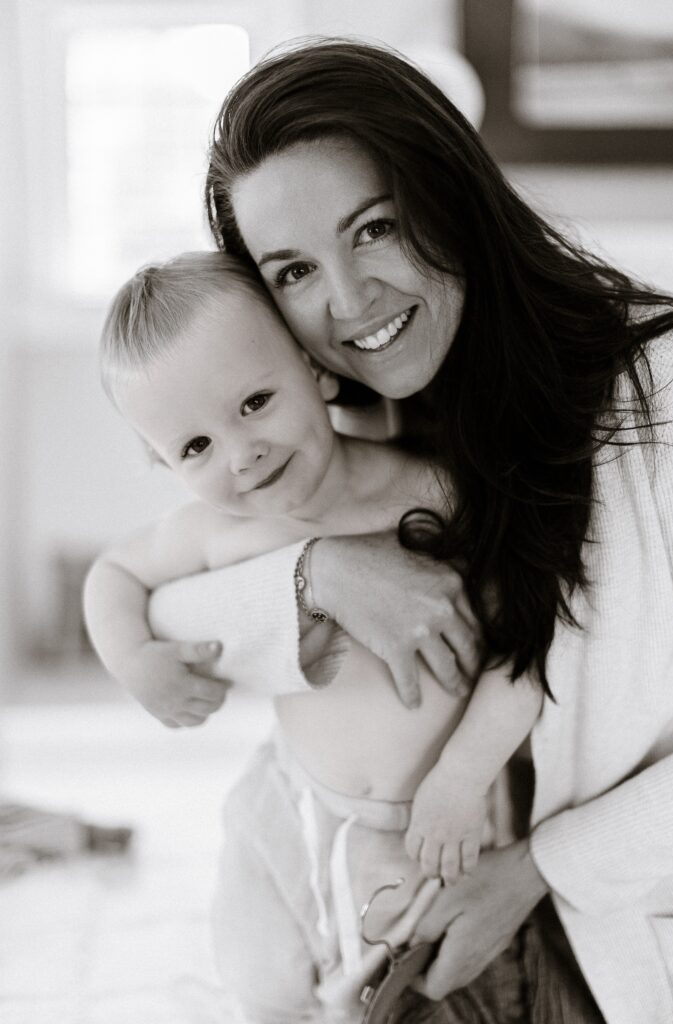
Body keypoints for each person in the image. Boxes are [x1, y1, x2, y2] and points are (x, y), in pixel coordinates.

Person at [120, 38, 673, 1024]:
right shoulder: (360, 427)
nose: (346, 302)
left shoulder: (664, 393)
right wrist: (320, 573)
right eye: (293, 270)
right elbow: (165, 597)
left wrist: (535, 868)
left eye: (374, 228)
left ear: (449, 193)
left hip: (618, 922)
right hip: (415, 920)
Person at [83, 251, 543, 1023]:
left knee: (422, 988)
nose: (240, 453)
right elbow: (113, 573)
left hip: (439, 810)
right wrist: (134, 660)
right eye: (193, 448)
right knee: (260, 975)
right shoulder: (220, 530)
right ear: (158, 460)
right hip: (292, 801)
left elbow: (524, 650)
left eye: (255, 403)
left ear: (315, 372)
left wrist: (461, 777)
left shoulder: (432, 493)